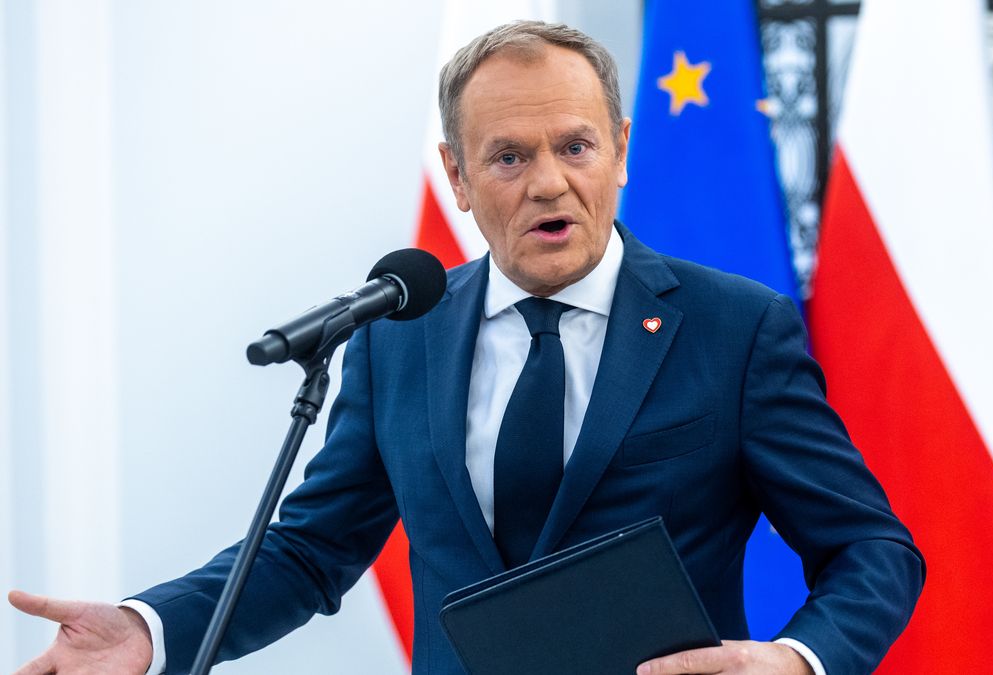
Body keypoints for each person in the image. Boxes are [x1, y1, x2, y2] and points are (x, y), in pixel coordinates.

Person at [9, 21, 923, 675]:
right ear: (456, 174)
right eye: (509, 156)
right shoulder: (398, 334)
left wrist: (797, 659)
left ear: (620, 152)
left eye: (575, 145)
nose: (550, 182)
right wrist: (149, 628)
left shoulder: (734, 327)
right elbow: (309, 550)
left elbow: (873, 549)